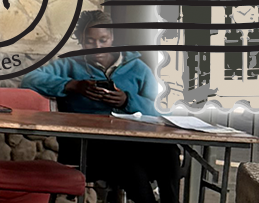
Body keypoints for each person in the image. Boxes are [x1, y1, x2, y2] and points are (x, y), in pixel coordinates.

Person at [23, 11, 180, 203]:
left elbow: (161, 109)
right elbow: (29, 79)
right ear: (81, 40)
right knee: (128, 162)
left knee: (168, 151)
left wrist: (127, 101)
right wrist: (73, 85)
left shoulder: (137, 68)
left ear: (112, 37)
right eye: (89, 41)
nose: (97, 47)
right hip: (87, 147)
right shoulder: (69, 65)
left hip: (133, 143)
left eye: (103, 40)